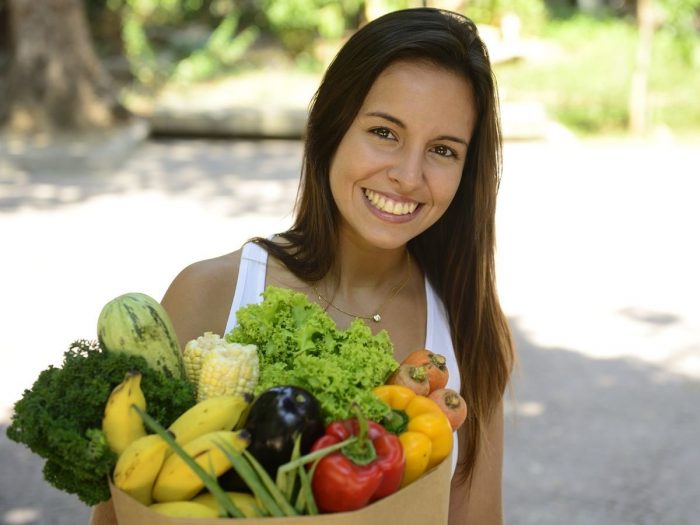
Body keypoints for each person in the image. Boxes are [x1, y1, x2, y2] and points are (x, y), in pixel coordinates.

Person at [90, 7, 514, 525]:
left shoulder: (468, 330)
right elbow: (118, 512)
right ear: (329, 127)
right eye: (384, 132)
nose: (408, 175)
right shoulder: (209, 293)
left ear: (466, 172)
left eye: (443, 149)